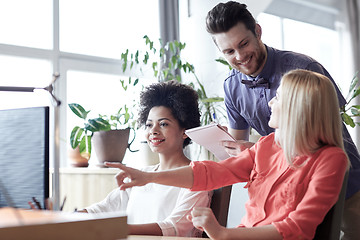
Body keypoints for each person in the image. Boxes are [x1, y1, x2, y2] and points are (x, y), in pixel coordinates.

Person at [106, 69, 349, 240]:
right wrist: (148, 177)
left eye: (278, 97)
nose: (270, 103)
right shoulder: (267, 145)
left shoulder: (331, 159)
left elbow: (298, 228)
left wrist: (223, 233)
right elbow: (213, 173)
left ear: (298, 108)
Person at [205, 2, 360, 239]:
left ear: (257, 31)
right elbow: (239, 150)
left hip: (342, 183)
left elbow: (328, 133)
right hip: (286, 196)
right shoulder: (232, 87)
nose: (240, 56)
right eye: (229, 52)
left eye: (244, 44)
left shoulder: (303, 69)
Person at [79, 80, 212, 237]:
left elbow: (174, 228)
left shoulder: (197, 178)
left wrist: (119, 229)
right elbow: (102, 210)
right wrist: (65, 217)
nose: (153, 131)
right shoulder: (140, 175)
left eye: (163, 124)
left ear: (185, 131)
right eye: (149, 125)